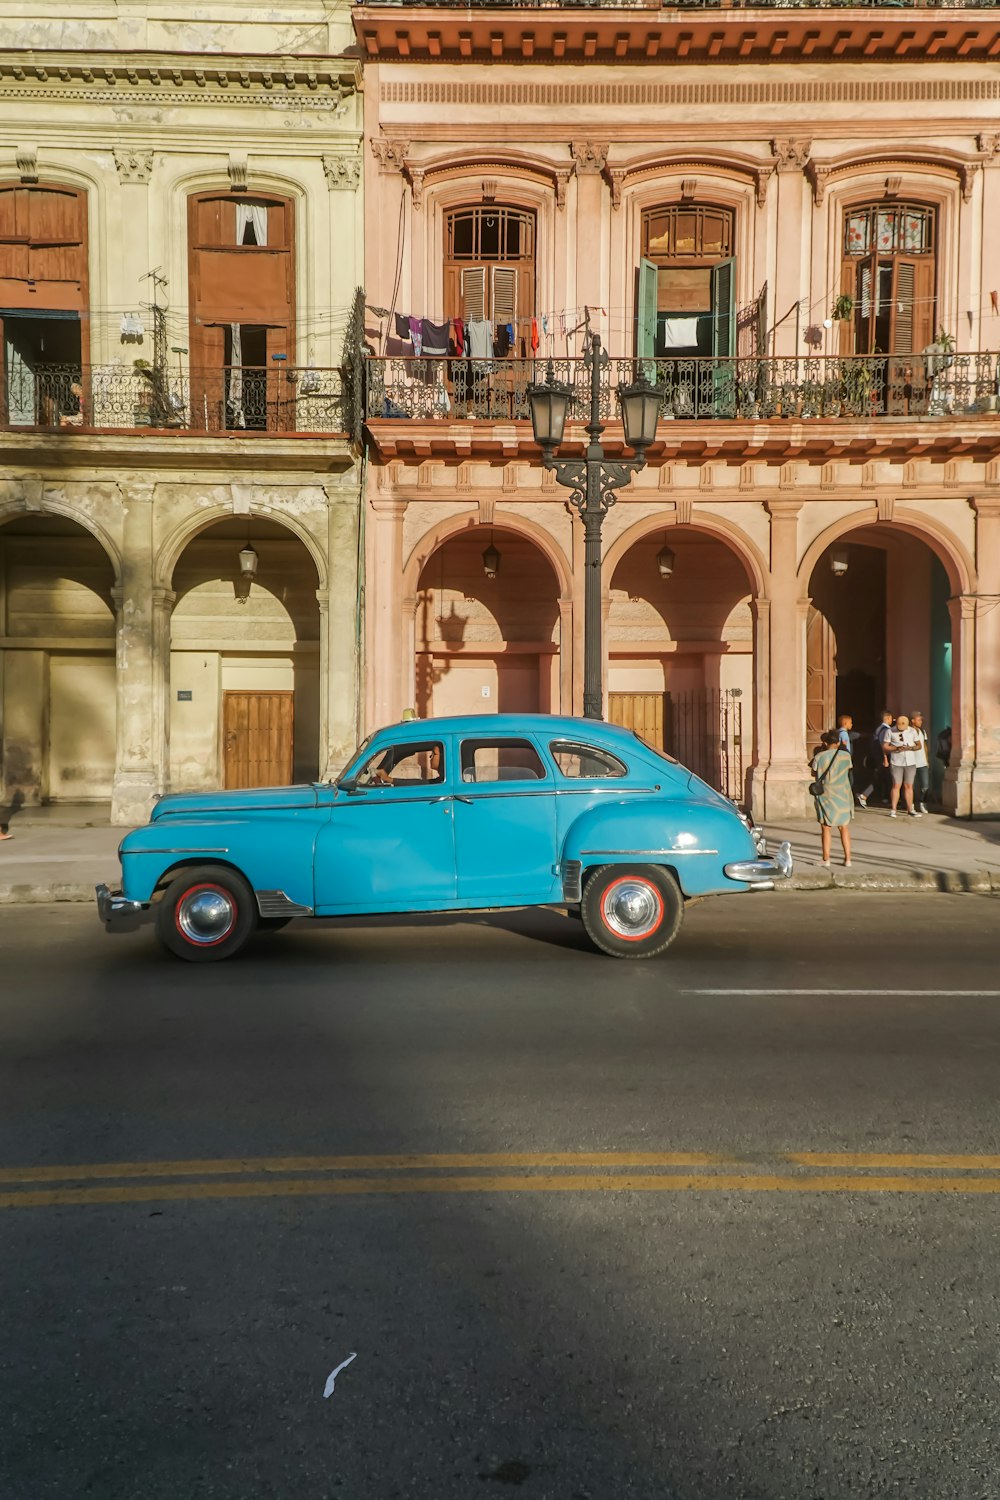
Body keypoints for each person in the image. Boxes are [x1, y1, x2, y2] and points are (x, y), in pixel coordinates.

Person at [810, 729, 854, 867]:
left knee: (826, 827)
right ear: (838, 742)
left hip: (827, 794)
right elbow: (849, 770)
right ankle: (848, 859)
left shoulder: (819, 756)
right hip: (843, 792)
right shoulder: (846, 756)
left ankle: (826, 858)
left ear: (825, 742)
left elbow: (814, 772)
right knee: (844, 827)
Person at [856, 710, 894, 808]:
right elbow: (884, 745)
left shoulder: (879, 729)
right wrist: (885, 758)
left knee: (883, 778)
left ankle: (886, 798)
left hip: (878, 757)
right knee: (882, 778)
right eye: (891, 718)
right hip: (883, 758)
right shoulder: (886, 730)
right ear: (888, 718)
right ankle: (864, 795)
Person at [887, 713, 921, 818]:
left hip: (910, 761)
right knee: (896, 785)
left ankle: (910, 809)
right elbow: (885, 746)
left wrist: (910, 748)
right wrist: (896, 748)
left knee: (909, 786)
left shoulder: (912, 731)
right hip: (896, 761)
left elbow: (919, 745)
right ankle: (893, 809)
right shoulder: (890, 731)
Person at [911, 711, 931, 814]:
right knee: (912, 786)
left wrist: (927, 759)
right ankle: (912, 804)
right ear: (913, 720)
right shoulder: (909, 731)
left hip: (922, 762)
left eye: (921, 720)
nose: (921, 721)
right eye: (919, 719)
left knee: (925, 785)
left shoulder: (922, 731)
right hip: (912, 762)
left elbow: (925, 746)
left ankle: (923, 803)